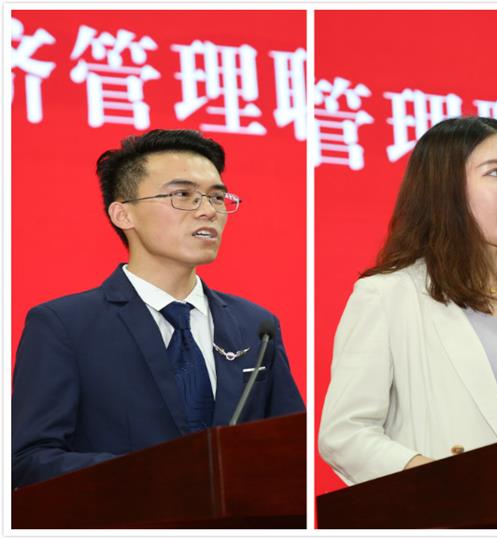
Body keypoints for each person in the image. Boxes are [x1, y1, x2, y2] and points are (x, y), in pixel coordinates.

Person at [12, 129, 305, 488]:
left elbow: (293, 452)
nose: (208, 211)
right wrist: (158, 476)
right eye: (183, 195)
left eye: (217, 197)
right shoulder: (64, 326)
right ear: (123, 214)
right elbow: (30, 460)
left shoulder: (255, 326)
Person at [318, 116, 497, 486]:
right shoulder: (390, 296)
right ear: (446, 191)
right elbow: (344, 434)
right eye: (495, 173)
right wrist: (438, 478)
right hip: (450, 509)